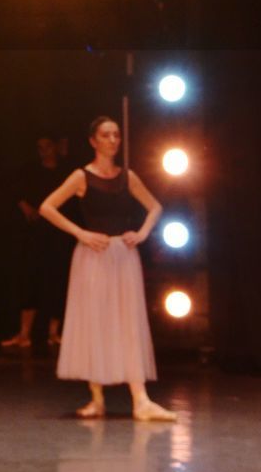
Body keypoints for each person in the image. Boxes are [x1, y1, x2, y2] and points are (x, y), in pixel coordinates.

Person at [38, 116, 176, 422]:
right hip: (93, 257)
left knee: (128, 321)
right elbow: (47, 207)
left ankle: (140, 400)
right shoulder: (81, 177)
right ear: (93, 140)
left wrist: (141, 234)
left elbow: (155, 207)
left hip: (122, 256)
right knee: (95, 321)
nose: (113, 140)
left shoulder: (128, 177)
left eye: (116, 135)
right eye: (106, 135)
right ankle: (97, 398)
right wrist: (81, 234)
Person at [1, 134, 73, 349]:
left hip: (59, 234)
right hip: (35, 234)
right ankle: (24, 334)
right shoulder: (30, 171)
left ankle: (54, 333)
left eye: (47, 146)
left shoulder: (66, 172)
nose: (43, 151)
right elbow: (14, 190)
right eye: (39, 147)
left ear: (56, 147)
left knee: (58, 280)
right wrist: (25, 207)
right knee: (29, 279)